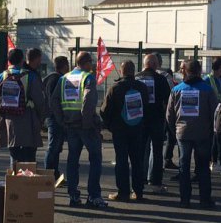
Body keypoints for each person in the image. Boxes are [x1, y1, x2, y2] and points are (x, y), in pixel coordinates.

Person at [56, 51, 107, 208]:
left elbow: (54, 101)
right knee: (96, 158)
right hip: (86, 126)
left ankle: (73, 195)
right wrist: (87, 123)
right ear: (86, 63)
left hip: (70, 125)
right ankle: (93, 196)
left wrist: (62, 121)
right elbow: (89, 101)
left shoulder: (64, 78)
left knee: (72, 160)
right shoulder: (88, 77)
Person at [167, 59, 217, 208]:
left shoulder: (177, 90)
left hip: (183, 133)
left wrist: (174, 129)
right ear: (199, 71)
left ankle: (185, 199)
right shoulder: (207, 89)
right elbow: (214, 113)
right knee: (203, 167)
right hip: (203, 133)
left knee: (184, 166)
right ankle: (205, 199)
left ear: (185, 71)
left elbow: (169, 114)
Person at [101, 60, 150, 202]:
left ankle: (123, 192)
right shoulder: (142, 87)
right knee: (137, 160)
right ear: (133, 71)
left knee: (121, 161)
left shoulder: (115, 88)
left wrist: (110, 125)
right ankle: (138, 192)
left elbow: (104, 111)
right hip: (137, 129)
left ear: (122, 71)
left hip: (120, 130)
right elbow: (146, 107)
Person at [0, 47, 49, 166]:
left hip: (9, 120)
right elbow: (40, 101)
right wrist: (41, 118)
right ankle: (26, 182)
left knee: (14, 154)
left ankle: (14, 180)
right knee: (29, 157)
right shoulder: (30, 76)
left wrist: (2, 115)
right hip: (28, 120)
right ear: (22, 60)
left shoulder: (2, 76)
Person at [137, 53, 173, 192]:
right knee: (157, 150)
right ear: (153, 64)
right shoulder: (160, 79)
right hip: (157, 119)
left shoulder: (137, 78)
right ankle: (155, 181)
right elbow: (167, 100)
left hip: (140, 119)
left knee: (140, 150)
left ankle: (140, 179)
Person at [42, 55, 70, 181]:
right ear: (64, 66)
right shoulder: (58, 79)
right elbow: (55, 101)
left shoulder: (49, 78)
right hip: (55, 117)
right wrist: (60, 118)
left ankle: (54, 174)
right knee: (53, 146)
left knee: (56, 147)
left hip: (51, 116)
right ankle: (49, 174)